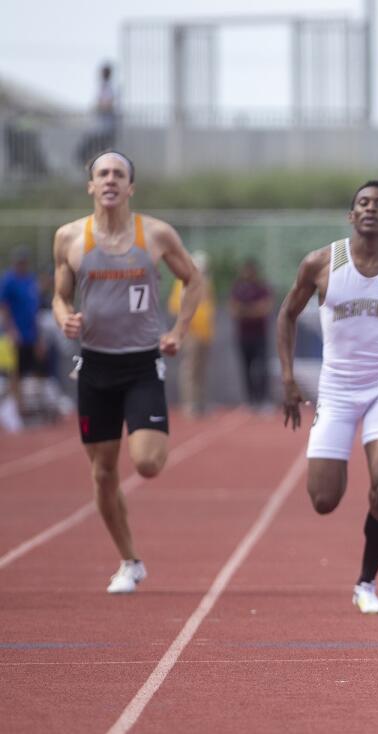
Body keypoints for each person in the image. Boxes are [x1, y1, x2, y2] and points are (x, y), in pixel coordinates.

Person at [277, 180, 378, 615]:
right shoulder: (321, 263)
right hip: (337, 390)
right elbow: (287, 315)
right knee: (324, 501)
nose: (370, 209)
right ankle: (337, 458)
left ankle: (366, 583)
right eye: (362, 203)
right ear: (351, 215)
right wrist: (288, 378)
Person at [51, 150, 204, 594]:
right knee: (102, 472)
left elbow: (192, 279)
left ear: (131, 187)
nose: (111, 180)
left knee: (148, 463)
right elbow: (60, 295)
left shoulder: (154, 234)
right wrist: (65, 317)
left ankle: (131, 556)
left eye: (119, 174)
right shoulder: (69, 238)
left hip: (141, 364)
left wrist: (178, 329)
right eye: (103, 174)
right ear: (91, 186)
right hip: (95, 366)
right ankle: (130, 561)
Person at [0, 247, 45, 418]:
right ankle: (18, 408)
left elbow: (35, 309)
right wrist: (11, 330)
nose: (22, 265)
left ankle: (33, 405)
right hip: (16, 334)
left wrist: (39, 336)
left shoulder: (30, 280)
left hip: (31, 333)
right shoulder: (8, 281)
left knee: (36, 369)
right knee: (15, 371)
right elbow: (3, 307)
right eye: (19, 262)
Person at [169, 251, 214, 416]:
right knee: (189, 369)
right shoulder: (183, 282)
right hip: (191, 333)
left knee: (201, 369)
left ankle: (200, 403)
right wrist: (185, 328)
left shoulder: (205, 283)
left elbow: (208, 307)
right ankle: (189, 404)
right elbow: (176, 307)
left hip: (205, 333)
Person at [230, 258, 274, 408]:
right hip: (243, 336)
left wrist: (246, 310)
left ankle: (263, 400)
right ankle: (250, 400)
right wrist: (252, 310)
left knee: (261, 367)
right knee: (246, 368)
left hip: (259, 335)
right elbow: (234, 310)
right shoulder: (238, 289)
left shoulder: (262, 288)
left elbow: (264, 309)